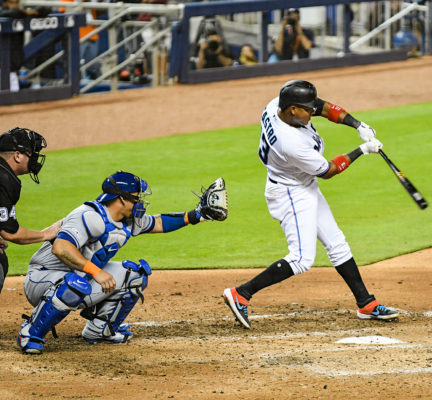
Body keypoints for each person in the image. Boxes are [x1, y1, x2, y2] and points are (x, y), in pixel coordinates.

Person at [222, 80, 399, 329]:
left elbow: (323, 107)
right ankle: (242, 293)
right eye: (307, 109)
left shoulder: (277, 105)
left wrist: (357, 124)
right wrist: (362, 149)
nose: (313, 112)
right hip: (290, 193)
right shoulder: (290, 143)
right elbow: (328, 170)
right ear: (293, 109)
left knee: (336, 242)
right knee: (302, 259)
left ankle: (366, 304)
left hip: (300, 184)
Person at [17, 171, 228, 354]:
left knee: (134, 275)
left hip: (78, 277)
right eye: (136, 197)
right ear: (121, 199)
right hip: (42, 279)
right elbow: (61, 247)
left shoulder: (128, 220)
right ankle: (31, 333)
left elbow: (160, 222)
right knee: (73, 285)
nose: (140, 202)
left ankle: (100, 330)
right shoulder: (90, 217)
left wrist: (198, 215)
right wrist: (95, 272)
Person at [0, 128, 62, 295]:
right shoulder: (4, 178)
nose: (35, 158)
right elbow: (11, 233)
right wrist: (47, 234)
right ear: (17, 155)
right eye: (31, 153)